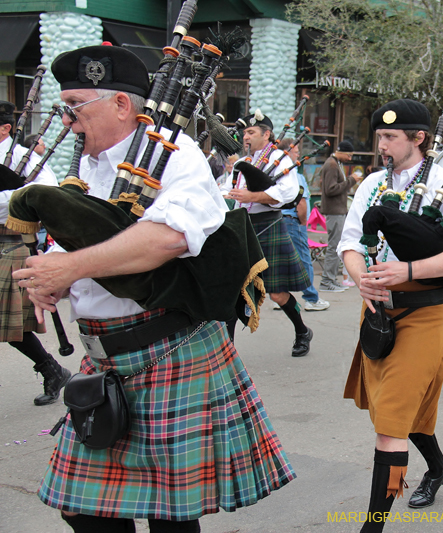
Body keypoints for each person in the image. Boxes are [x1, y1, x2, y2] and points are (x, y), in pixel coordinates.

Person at [13, 45, 294, 532]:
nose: (68, 122)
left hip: (168, 351)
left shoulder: (175, 155)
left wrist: (71, 266)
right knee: (86, 512)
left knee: (170, 519)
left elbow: (166, 238)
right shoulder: (89, 165)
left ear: (121, 104)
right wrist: (57, 276)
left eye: (75, 106)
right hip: (103, 356)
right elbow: (92, 242)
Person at [339, 99, 443, 531]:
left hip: (425, 315)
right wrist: (361, 279)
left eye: (390, 138)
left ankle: (373, 527)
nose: (382, 146)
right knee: (399, 412)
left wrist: (409, 270)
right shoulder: (371, 183)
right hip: (379, 314)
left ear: (418, 138)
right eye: (379, 137)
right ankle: (438, 465)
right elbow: (349, 243)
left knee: (390, 424)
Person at [228, 110, 314, 356]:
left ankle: (302, 331)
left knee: (277, 293)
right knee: (235, 289)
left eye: (251, 132)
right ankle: (228, 351)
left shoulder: (280, 158)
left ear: (266, 135)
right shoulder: (241, 162)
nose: (246, 136)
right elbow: (230, 189)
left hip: (268, 225)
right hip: (241, 226)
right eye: (245, 132)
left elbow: (286, 194)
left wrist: (251, 196)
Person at [0, 100, 64, 406]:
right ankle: (51, 369)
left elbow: (45, 195)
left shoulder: (25, 159)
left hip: (12, 240)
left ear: (5, 128)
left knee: (10, 324)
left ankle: (51, 369)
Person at [279, 137, 329, 311]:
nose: (299, 154)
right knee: (304, 260)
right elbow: (300, 203)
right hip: (293, 222)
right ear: (288, 152)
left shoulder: (278, 173)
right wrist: (302, 223)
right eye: (296, 150)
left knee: (282, 260)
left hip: (279, 221)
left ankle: (282, 297)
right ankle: (311, 298)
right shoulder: (295, 175)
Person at [320, 140, 362, 292]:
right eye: (349, 155)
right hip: (334, 211)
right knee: (334, 247)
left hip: (337, 210)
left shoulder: (335, 163)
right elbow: (330, 190)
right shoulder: (331, 165)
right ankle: (326, 281)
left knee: (337, 245)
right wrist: (351, 180)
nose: (350, 159)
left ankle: (331, 279)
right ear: (341, 152)